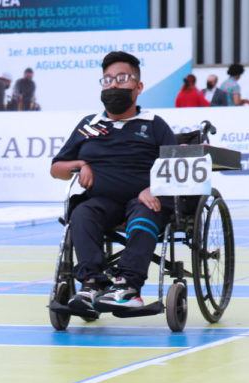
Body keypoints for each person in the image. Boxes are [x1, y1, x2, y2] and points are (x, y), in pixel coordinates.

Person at [50, 51, 177, 312]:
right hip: (102, 201)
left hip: (142, 199)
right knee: (82, 213)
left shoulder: (154, 125)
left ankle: (128, 287)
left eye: (122, 78)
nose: (113, 85)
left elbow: (176, 166)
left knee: (146, 212)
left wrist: (154, 187)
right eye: (107, 80)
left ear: (138, 87)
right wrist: (80, 164)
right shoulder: (89, 125)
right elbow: (56, 169)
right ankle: (91, 284)